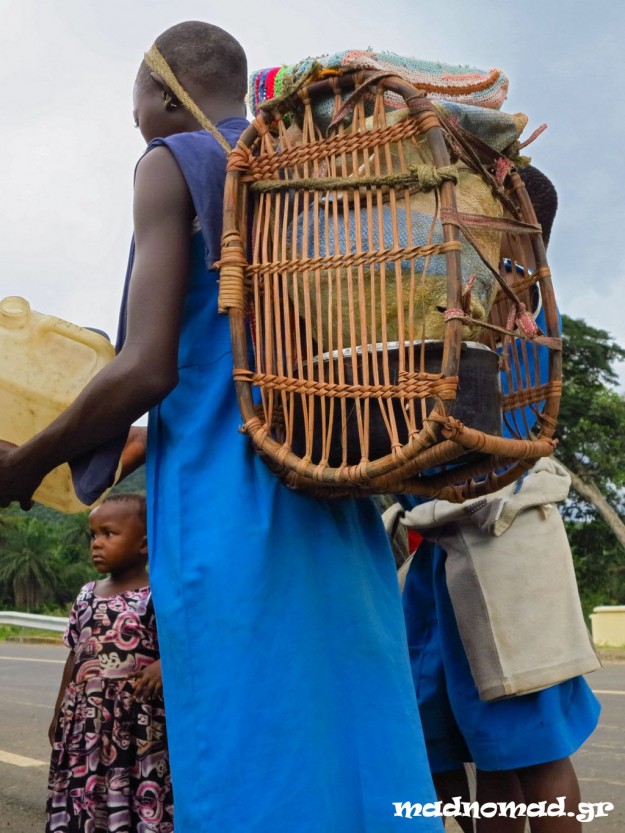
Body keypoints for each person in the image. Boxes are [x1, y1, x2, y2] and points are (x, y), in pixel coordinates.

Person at [0, 22, 442, 832]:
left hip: (230, 511)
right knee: (355, 731)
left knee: (246, 745)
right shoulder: (300, 171)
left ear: (162, 93)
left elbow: (147, 368)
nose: (134, 119)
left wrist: (25, 463)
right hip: (333, 498)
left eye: (135, 102)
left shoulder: (175, 162)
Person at [399, 166, 601, 832]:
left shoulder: (519, 306)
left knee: (532, 740)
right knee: (458, 739)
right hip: (440, 540)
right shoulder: (466, 290)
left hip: (506, 538)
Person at [47, 493, 173, 833]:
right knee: (85, 794)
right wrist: (60, 711)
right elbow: (75, 652)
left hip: (139, 726)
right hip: (85, 724)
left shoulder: (159, 593)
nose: (96, 544)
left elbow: (189, 646)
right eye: (93, 535)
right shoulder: (87, 594)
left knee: (138, 794)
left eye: (109, 534)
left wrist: (165, 665)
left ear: (144, 545)